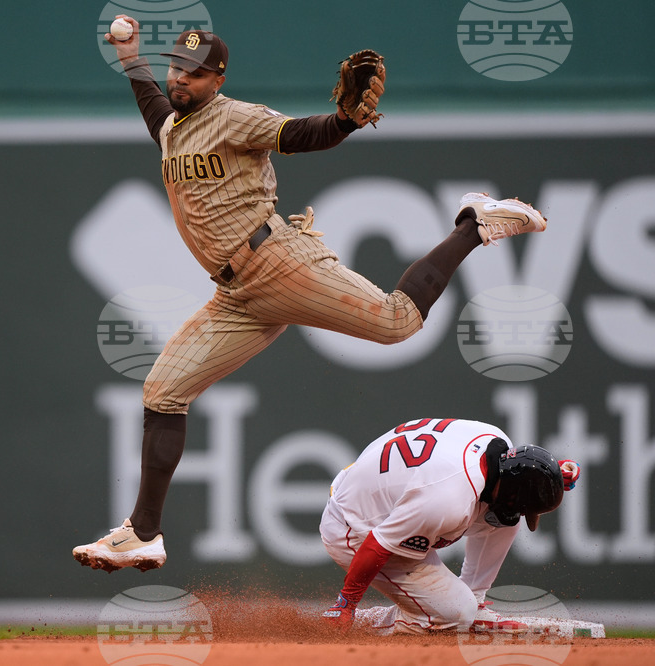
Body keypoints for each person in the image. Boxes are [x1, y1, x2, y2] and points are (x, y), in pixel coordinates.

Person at [73, 18, 550, 572]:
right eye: (177, 67)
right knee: (163, 391)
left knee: (396, 322)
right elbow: (154, 106)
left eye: (195, 73)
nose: (181, 79)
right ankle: (144, 533)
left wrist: (345, 120)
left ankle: (475, 223)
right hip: (235, 295)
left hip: (275, 261)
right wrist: (132, 58)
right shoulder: (174, 126)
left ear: (217, 79)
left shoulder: (233, 116)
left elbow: (300, 134)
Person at [319, 417, 580, 634]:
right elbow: (377, 544)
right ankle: (366, 623)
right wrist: (346, 604)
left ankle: (476, 600)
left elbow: (518, 475)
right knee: (456, 615)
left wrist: (550, 474)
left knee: (505, 520)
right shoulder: (448, 501)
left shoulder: (496, 442)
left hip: (380, 490)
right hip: (354, 526)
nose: (523, 513)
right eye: (522, 504)